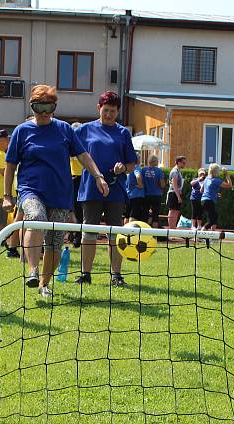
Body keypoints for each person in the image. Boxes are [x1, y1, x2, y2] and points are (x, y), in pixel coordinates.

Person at [2, 84, 104, 298]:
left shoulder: (64, 129)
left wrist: (98, 176)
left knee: (55, 242)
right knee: (36, 217)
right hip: (31, 189)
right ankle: (32, 270)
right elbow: (10, 165)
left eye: (50, 107)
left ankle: (44, 284)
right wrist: (7, 196)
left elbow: (83, 155)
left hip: (60, 193)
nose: (45, 113)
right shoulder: (22, 131)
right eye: (40, 107)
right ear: (32, 107)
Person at [75, 91, 138, 288]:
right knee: (89, 230)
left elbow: (131, 165)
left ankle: (116, 275)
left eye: (113, 111)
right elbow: (72, 151)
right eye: (106, 110)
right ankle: (86, 274)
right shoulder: (83, 130)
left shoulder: (123, 133)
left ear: (118, 111)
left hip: (116, 189)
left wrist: (123, 168)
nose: (109, 114)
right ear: (98, 108)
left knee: (115, 232)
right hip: (90, 187)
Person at [0, 129, 19, 257]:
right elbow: (4, 171)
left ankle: (1, 241)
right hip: (1, 191)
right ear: (0, 141)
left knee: (5, 218)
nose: (9, 142)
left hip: (4, 190)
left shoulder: (1, 152)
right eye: (7, 140)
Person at [200, 164, 233, 230]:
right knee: (212, 220)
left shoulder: (207, 179)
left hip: (203, 200)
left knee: (213, 217)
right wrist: (227, 175)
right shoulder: (216, 180)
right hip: (209, 201)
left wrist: (214, 193)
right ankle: (202, 232)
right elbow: (229, 185)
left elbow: (201, 190)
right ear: (216, 172)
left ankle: (212, 235)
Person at [68, 122, 84, 247]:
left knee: (78, 210)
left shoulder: (82, 145)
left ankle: (77, 237)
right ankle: (73, 234)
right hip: (72, 179)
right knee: (71, 209)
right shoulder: (70, 145)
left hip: (80, 179)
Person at [140, 154, 165, 228]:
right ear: (155, 162)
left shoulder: (143, 170)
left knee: (145, 214)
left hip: (146, 194)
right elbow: (162, 184)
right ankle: (155, 235)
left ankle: (143, 232)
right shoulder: (159, 171)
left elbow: (141, 181)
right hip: (156, 195)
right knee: (155, 215)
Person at [166, 156, 186, 232]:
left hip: (177, 193)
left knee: (176, 211)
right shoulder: (174, 171)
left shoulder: (178, 171)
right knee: (172, 211)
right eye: (183, 163)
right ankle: (171, 229)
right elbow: (174, 185)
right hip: (173, 194)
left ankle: (173, 228)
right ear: (179, 162)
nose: (184, 164)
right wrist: (178, 197)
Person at [127, 158, 146, 222]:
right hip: (137, 195)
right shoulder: (136, 168)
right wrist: (140, 184)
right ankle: (131, 231)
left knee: (127, 215)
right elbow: (138, 176)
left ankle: (124, 231)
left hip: (129, 195)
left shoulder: (127, 169)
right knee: (133, 215)